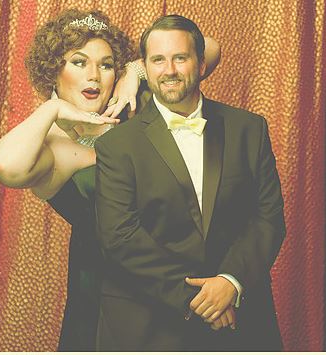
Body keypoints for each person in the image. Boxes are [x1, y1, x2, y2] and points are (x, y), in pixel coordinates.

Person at [0, 9, 221, 351]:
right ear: (54, 70)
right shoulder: (52, 145)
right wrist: (50, 111)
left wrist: (136, 71)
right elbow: (4, 166)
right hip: (109, 287)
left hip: (180, 270)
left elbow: (208, 49)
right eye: (79, 62)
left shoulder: (132, 106)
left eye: (106, 64)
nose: (94, 76)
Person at [95, 14, 286, 351]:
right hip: (148, 325)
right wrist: (199, 298)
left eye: (180, 58)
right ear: (146, 68)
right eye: (158, 60)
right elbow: (120, 236)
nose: (169, 70)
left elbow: (267, 218)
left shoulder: (249, 129)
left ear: (200, 64)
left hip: (240, 319)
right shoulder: (116, 144)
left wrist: (230, 282)